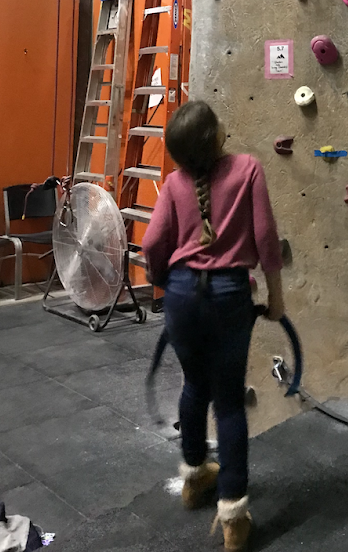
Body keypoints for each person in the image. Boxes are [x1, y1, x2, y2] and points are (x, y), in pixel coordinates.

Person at [142, 100, 285, 552]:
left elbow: (152, 242)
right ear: (216, 136)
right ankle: (233, 518)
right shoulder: (248, 169)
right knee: (228, 402)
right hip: (229, 295)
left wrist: (166, 281)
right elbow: (265, 238)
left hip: (182, 294)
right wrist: (276, 297)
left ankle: (193, 478)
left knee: (193, 385)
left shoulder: (173, 183)